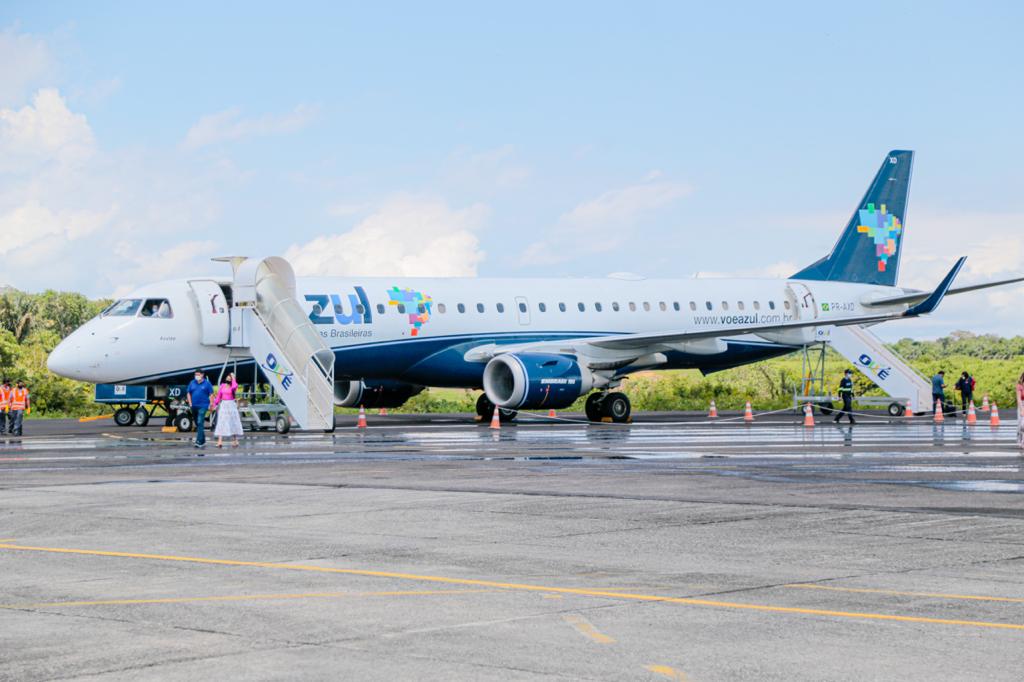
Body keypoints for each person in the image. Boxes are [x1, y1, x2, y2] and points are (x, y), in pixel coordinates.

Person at [211, 372, 244, 448]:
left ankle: (235, 440)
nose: (228, 379)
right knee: (221, 422)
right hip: (224, 405)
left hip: (231, 405)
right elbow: (219, 396)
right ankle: (219, 441)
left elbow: (235, 386)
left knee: (233, 422)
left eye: (230, 378)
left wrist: (233, 378)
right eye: (227, 378)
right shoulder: (222, 386)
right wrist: (214, 404)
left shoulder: (233, 386)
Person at [186, 369, 214, 449]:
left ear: (202, 375)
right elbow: (188, 393)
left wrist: (211, 404)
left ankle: (198, 441)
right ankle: (203, 439)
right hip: (194, 406)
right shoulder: (192, 383)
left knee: (200, 421)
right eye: (195, 374)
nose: (196, 376)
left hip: (203, 406)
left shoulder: (207, 384)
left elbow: (211, 394)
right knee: (198, 424)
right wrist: (190, 403)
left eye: (198, 374)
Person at [1017, 371, 1024, 449]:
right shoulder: (1019, 386)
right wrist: (1022, 410)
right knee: (1021, 425)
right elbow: (1018, 399)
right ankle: (1019, 439)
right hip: (1021, 404)